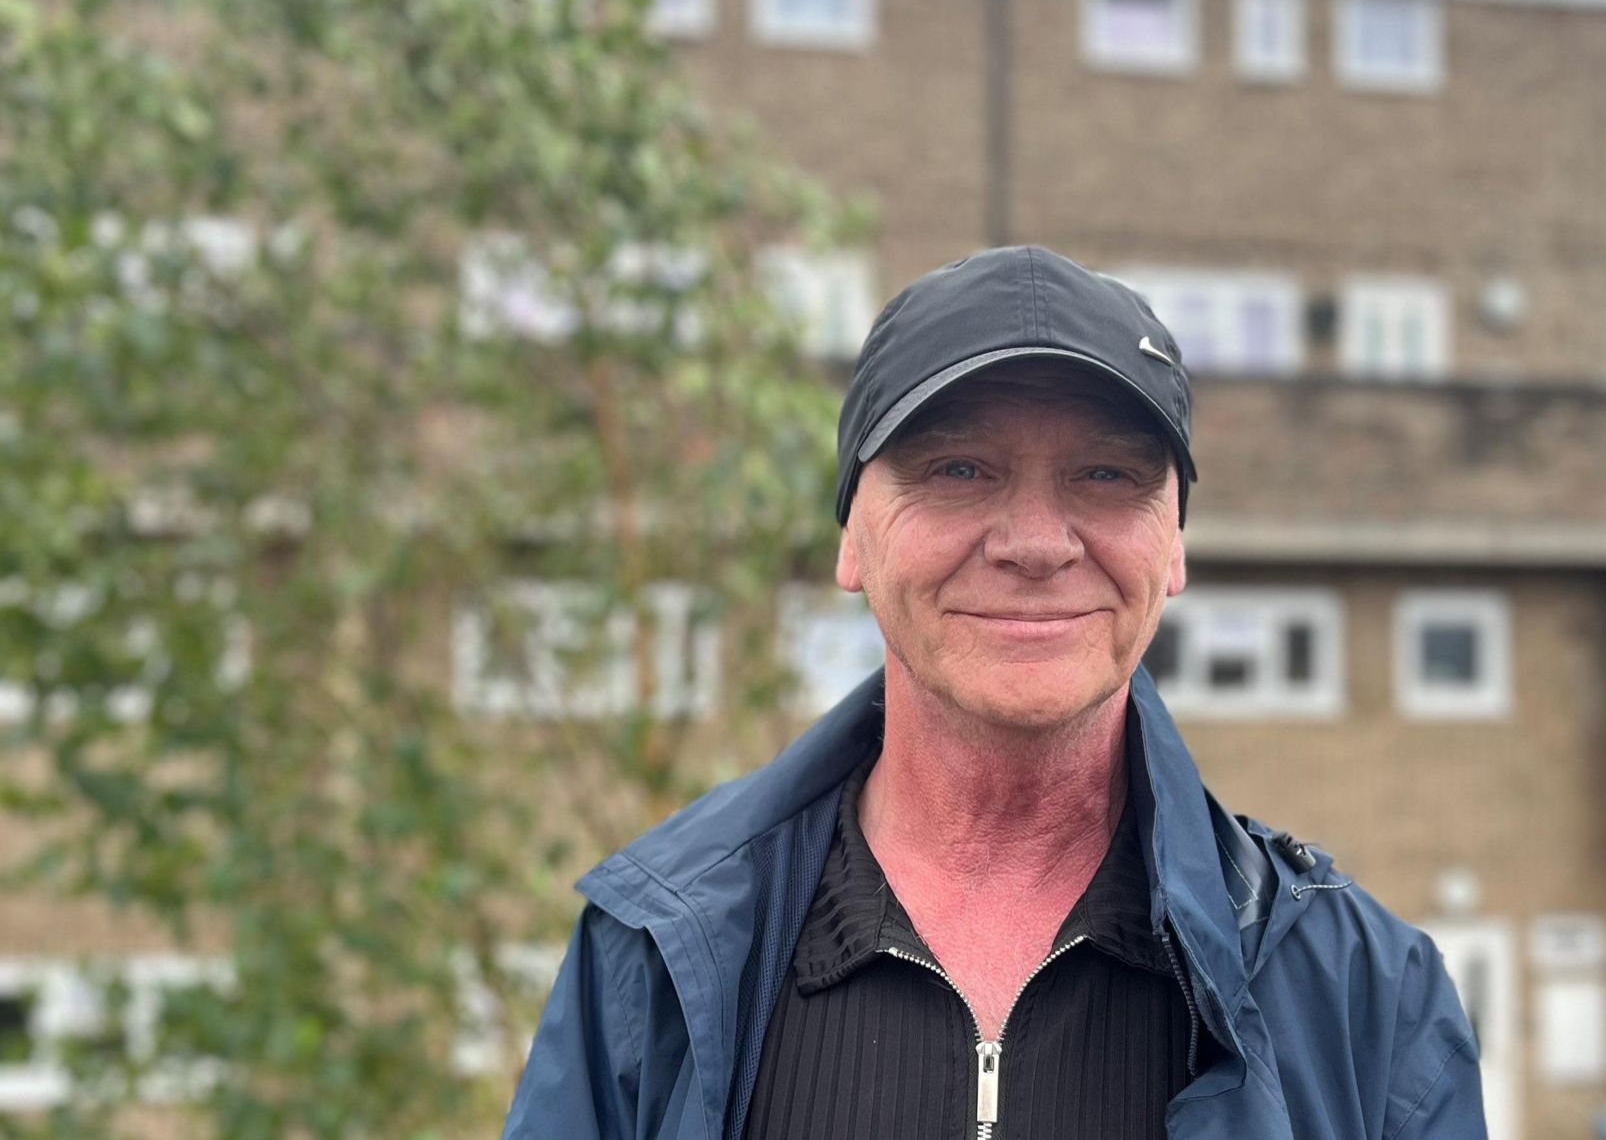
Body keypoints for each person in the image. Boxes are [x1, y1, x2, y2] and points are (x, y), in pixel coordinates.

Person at [502, 245, 1486, 1139]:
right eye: (958, 468)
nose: (1034, 542)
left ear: (1173, 543)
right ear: (852, 535)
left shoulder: (1360, 993)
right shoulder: (655, 956)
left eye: (1106, 473)